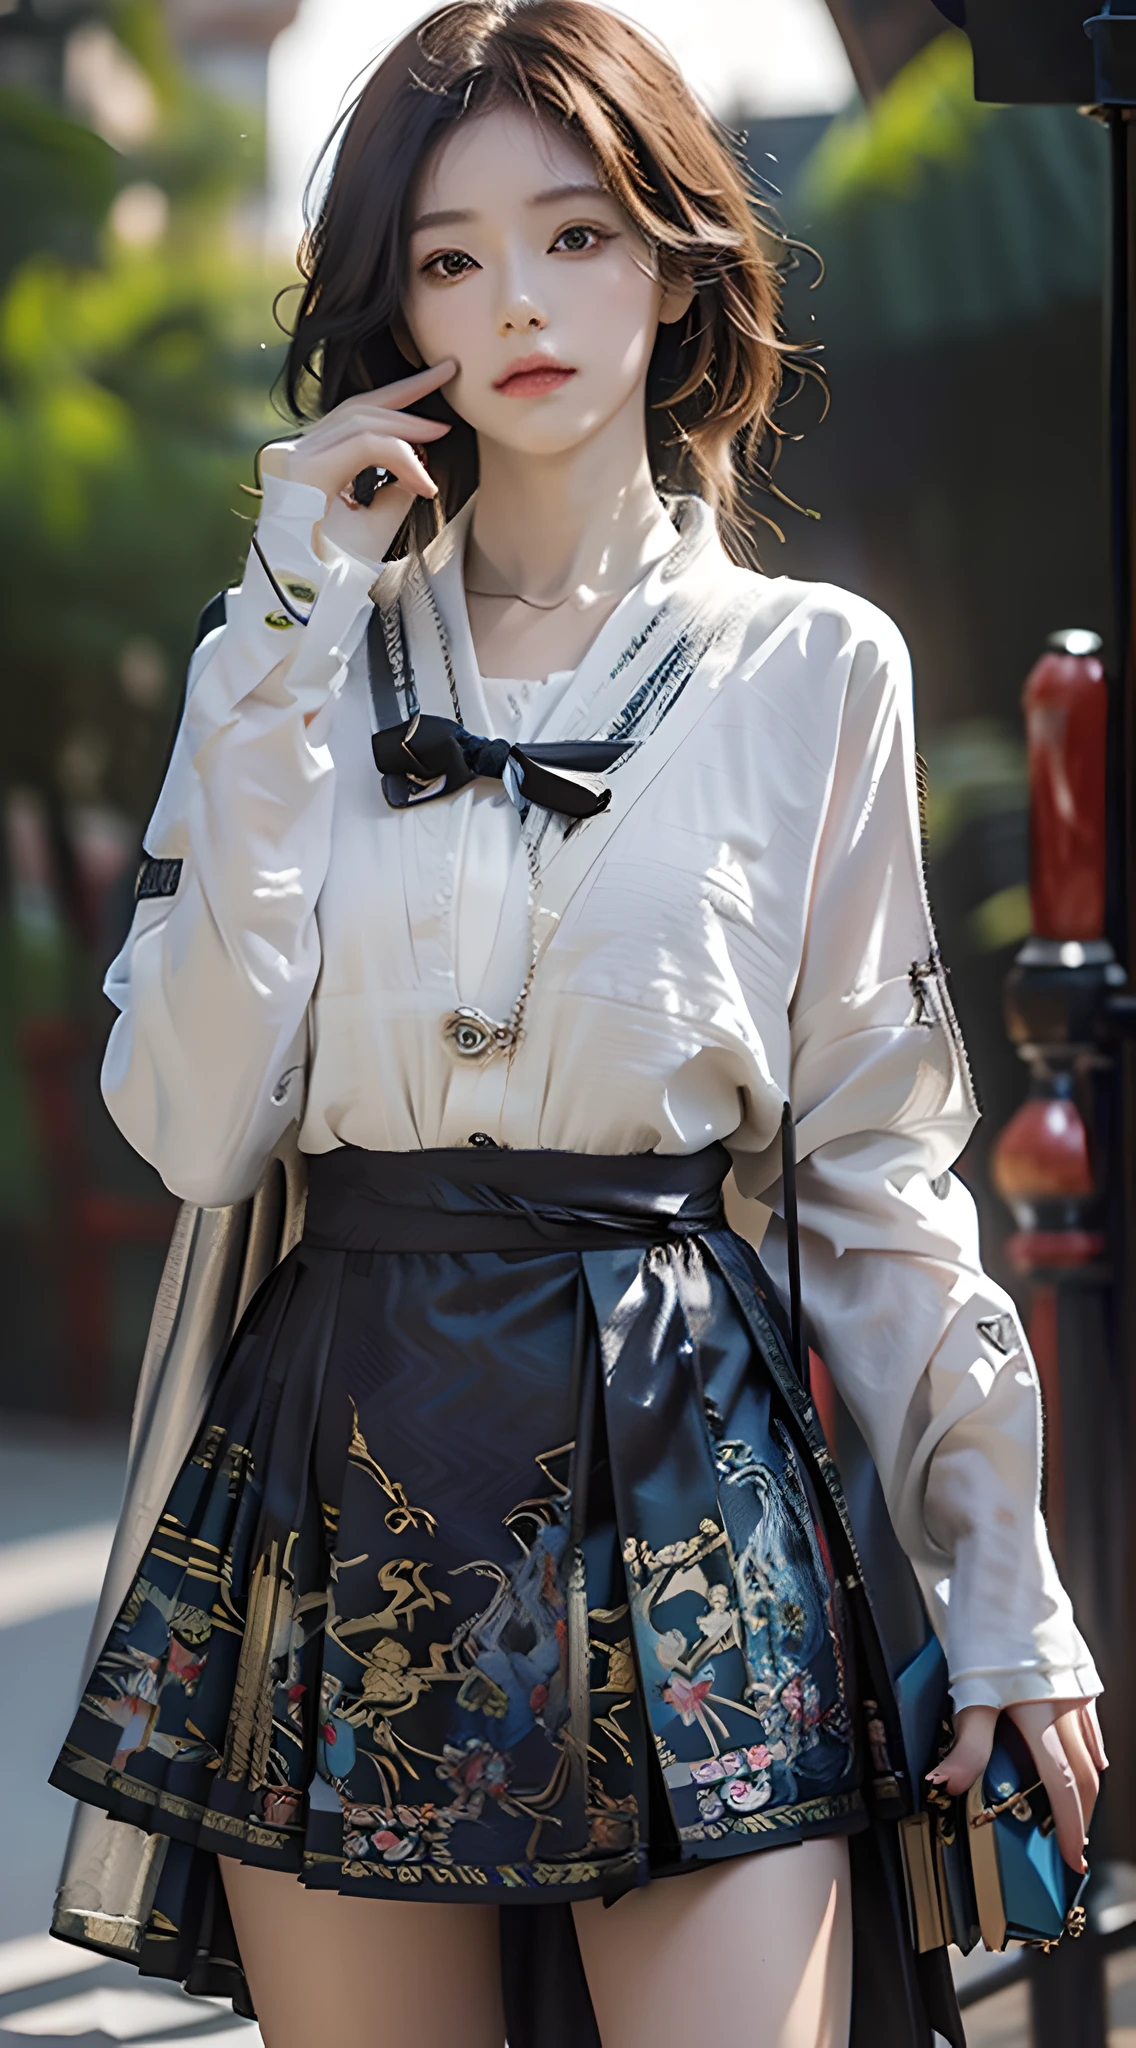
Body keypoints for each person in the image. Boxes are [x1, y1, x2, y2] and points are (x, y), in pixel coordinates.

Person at [49, 5, 1105, 2045]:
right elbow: (187, 1129)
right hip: (343, 1465)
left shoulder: (815, 670)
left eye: (573, 234)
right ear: (388, 312)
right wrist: (284, 636)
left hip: (683, 1464)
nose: (515, 303)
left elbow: (878, 1173)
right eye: (448, 258)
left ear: (674, 258)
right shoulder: (278, 659)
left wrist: (1003, 1589)